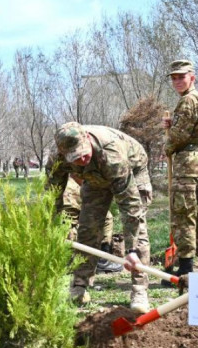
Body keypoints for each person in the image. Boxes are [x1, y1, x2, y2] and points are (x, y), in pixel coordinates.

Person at [54, 122, 152, 313]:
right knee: (87, 227)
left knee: (138, 229)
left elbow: (130, 207)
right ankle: (80, 285)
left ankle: (139, 289)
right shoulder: (58, 156)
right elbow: (52, 191)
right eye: (75, 157)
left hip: (132, 167)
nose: (81, 159)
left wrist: (131, 249)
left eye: (83, 152)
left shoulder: (112, 154)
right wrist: (53, 225)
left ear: (88, 139)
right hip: (94, 177)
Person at [163, 59, 198, 278]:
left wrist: (167, 145)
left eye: (181, 77)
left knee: (184, 217)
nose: (177, 81)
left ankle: (186, 268)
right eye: (174, 78)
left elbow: (179, 135)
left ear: (192, 77)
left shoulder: (188, 101)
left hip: (188, 167)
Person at [45, 153, 122, 273]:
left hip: (60, 192)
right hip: (70, 192)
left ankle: (68, 259)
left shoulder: (64, 155)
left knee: (66, 223)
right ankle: (102, 259)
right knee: (106, 218)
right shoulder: (83, 157)